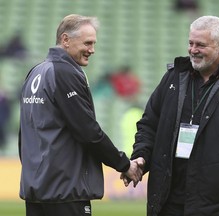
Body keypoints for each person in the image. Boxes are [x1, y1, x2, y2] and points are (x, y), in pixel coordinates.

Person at [122, 15, 219, 216]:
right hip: (168, 199)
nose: (193, 50)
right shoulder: (174, 77)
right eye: (191, 43)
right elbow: (149, 123)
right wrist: (142, 156)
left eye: (200, 45)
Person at [18, 14, 142, 216]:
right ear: (65, 39)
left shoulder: (36, 71)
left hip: (37, 187)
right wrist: (124, 164)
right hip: (65, 189)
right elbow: (88, 131)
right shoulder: (65, 72)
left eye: (93, 43)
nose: (92, 50)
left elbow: (24, 133)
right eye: (87, 43)